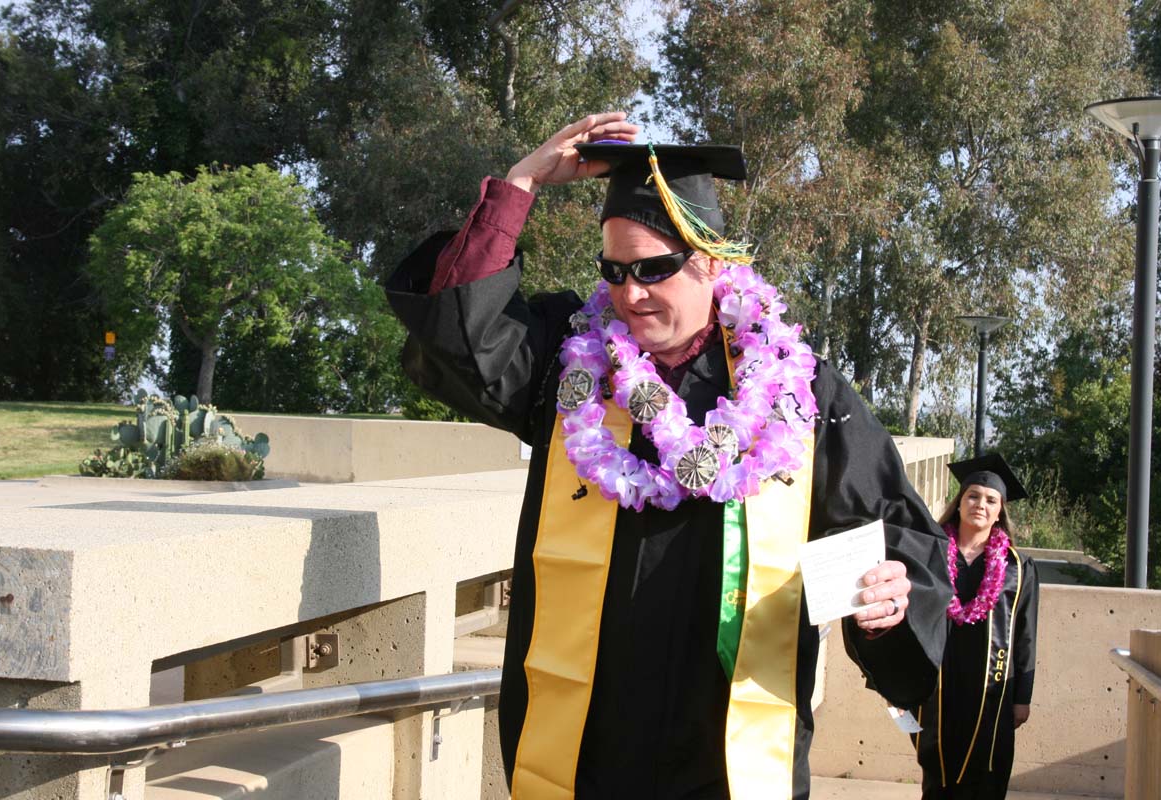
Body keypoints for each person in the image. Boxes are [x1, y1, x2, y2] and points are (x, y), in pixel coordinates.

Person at [386, 112, 952, 799]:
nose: (631, 293)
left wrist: (893, 595)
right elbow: (462, 340)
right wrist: (520, 184)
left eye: (654, 269)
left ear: (711, 261)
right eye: (614, 271)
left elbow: (894, 537)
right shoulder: (571, 369)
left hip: (727, 747)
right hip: (591, 743)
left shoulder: (799, 393)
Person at [911, 453, 1039, 799]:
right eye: (973, 496)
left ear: (1000, 511)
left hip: (992, 690)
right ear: (959, 502)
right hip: (940, 680)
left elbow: (1026, 634)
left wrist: (1022, 697)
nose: (980, 504)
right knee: (937, 771)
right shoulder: (930, 553)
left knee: (987, 775)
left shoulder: (1018, 567)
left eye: (990, 500)